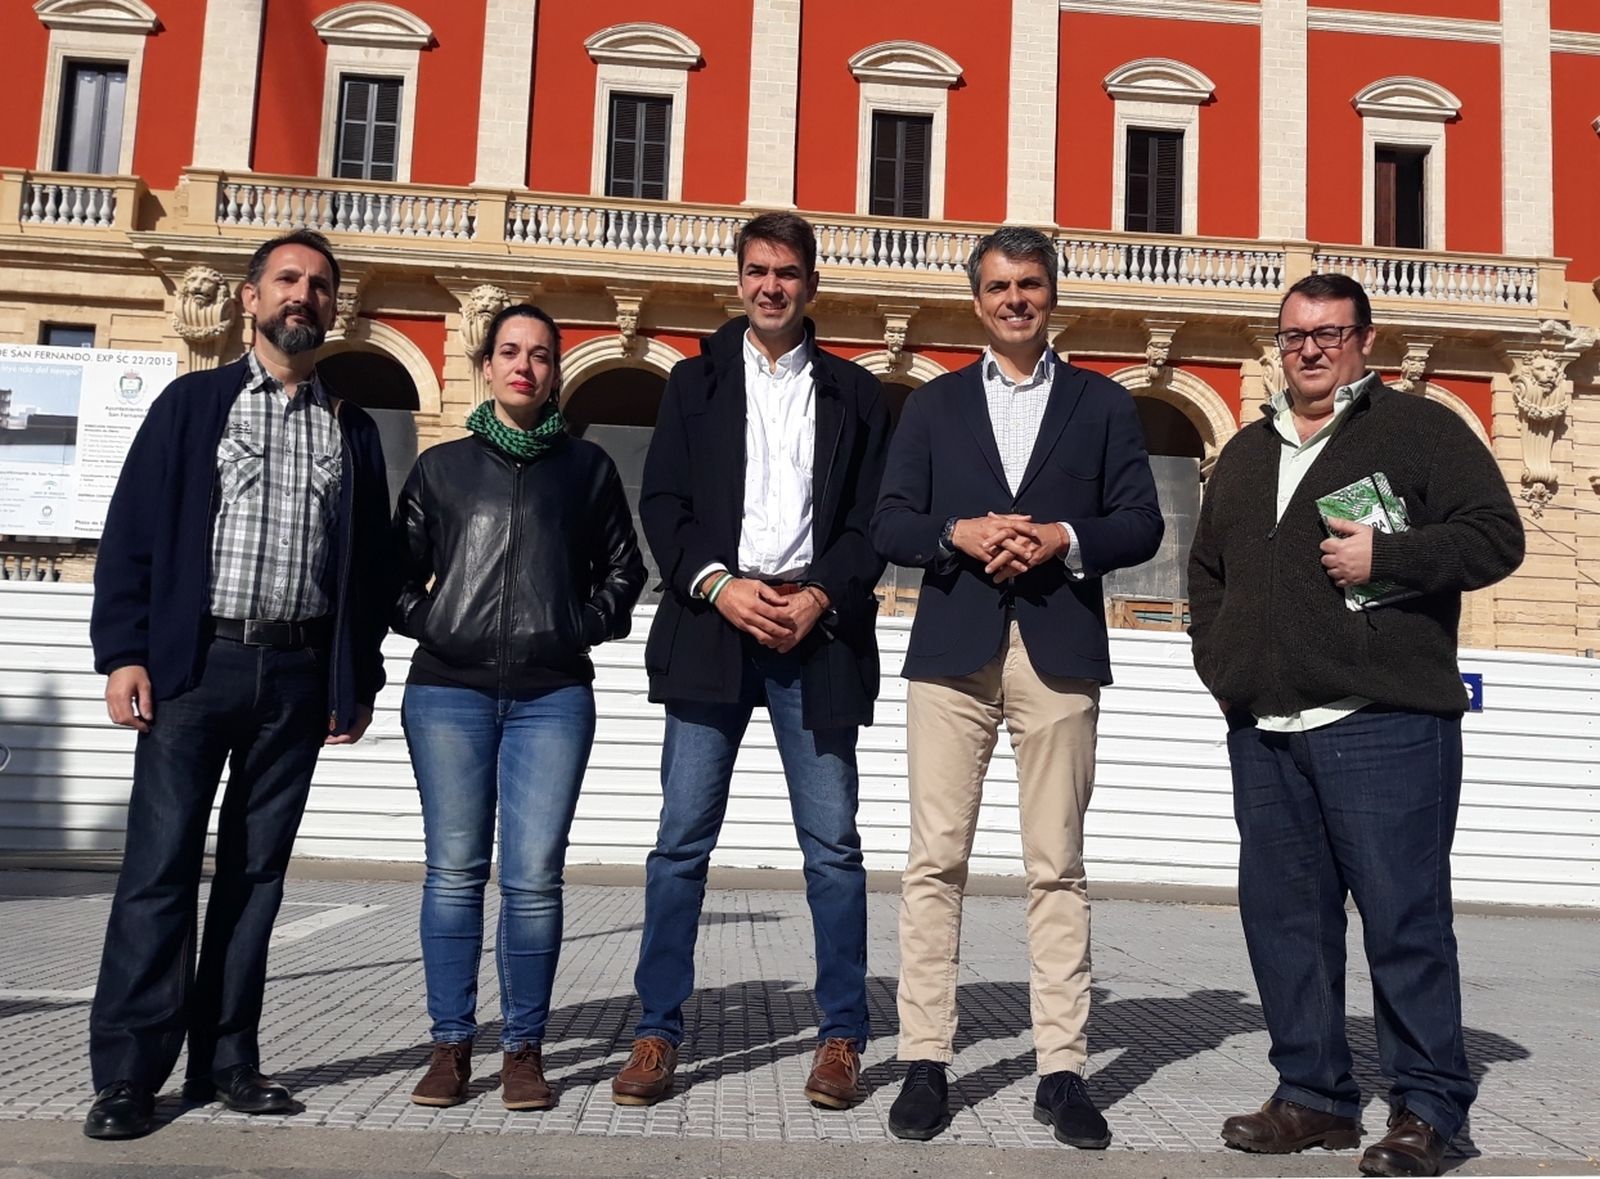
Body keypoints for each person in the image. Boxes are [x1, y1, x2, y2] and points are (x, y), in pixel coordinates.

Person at [1187, 274, 1524, 1178]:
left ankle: (1428, 1109)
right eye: (1295, 334)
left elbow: (1498, 537)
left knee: (1404, 924)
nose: (1310, 349)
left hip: (1385, 722)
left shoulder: (1418, 429)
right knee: (1284, 922)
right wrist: (1225, 670)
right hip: (1266, 727)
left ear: (1364, 342)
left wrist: (1394, 554)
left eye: (1329, 333)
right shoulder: (1252, 450)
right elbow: (1207, 573)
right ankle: (1313, 1097)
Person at [85, 229, 393, 1139]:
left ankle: (228, 1060)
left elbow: (366, 570)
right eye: (288, 280)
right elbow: (133, 530)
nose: (304, 295)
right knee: (159, 870)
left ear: (334, 309)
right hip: (192, 667)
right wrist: (123, 653)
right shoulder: (193, 405)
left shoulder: (353, 428)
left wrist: (356, 677)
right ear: (251, 299)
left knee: (256, 876)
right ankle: (130, 1075)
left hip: (296, 674)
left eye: (321, 286)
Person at [870, 226, 1163, 1147]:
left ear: (1052, 293)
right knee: (934, 861)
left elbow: (1142, 523)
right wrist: (956, 531)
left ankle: (1062, 1068)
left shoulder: (1104, 404)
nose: (1014, 299)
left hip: (1058, 647)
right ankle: (926, 1058)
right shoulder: (933, 405)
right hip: (953, 648)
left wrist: (1062, 539)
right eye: (998, 286)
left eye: (1029, 283)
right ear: (977, 299)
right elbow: (889, 519)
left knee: (1057, 866)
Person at [610, 213, 891, 1110]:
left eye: (789, 272)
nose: (772, 286)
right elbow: (663, 503)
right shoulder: (692, 384)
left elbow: (870, 523)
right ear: (739, 279)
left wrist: (819, 596)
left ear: (813, 283)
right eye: (759, 270)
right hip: (713, 627)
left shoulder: (856, 392)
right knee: (680, 844)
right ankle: (657, 1031)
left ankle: (841, 1035)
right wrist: (717, 585)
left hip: (819, 634)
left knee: (834, 849)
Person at [394, 304, 645, 1111]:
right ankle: (449, 1045)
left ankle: (525, 1050)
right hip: (447, 692)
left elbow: (624, 571)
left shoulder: (589, 468)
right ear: (488, 363)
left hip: (552, 696)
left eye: (540, 354)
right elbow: (392, 577)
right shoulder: (442, 468)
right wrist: (438, 622)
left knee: (534, 878)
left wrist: (578, 625)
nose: (524, 367)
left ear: (556, 369)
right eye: (510, 352)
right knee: (455, 872)